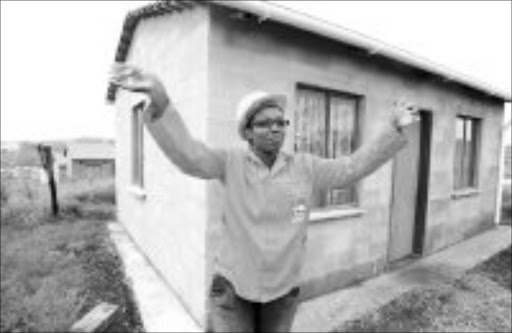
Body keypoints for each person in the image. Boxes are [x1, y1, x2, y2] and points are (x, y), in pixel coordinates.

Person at [109, 63, 420, 332]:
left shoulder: (305, 167)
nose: (275, 129)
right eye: (264, 123)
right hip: (233, 289)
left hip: (282, 292)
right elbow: (189, 156)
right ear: (247, 132)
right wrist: (161, 102)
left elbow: (351, 167)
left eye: (280, 122)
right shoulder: (229, 163)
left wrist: (390, 127)